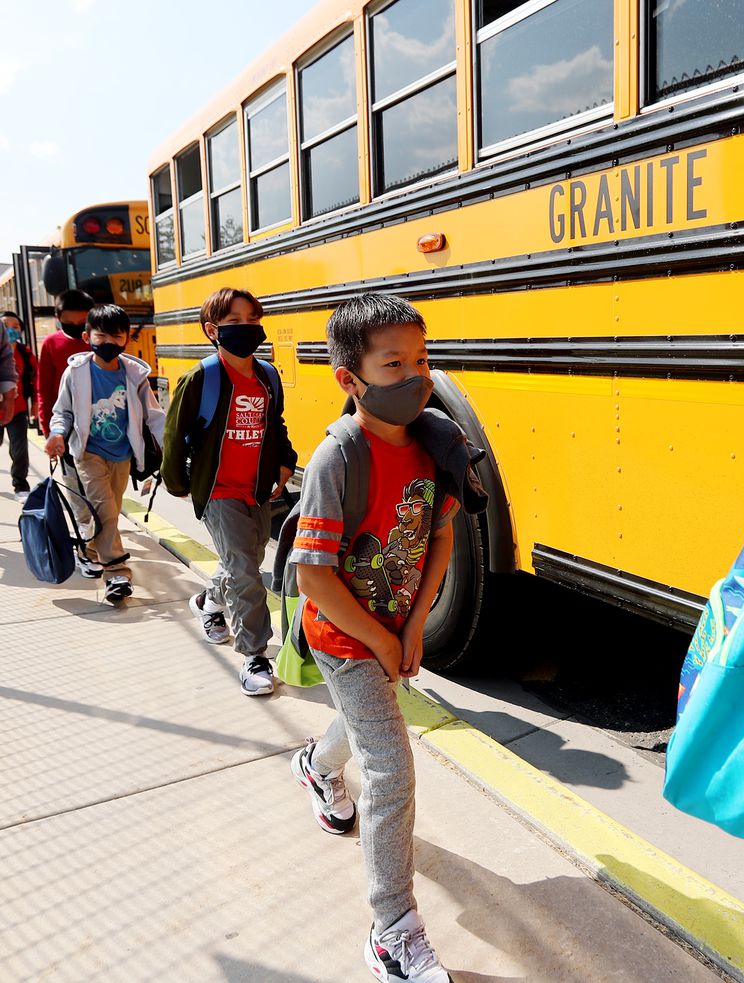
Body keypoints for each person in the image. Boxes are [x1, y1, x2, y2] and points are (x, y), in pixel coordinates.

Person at [288, 294, 458, 983]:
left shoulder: (433, 442)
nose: (415, 376)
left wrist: (414, 623)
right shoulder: (339, 457)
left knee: (366, 725)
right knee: (390, 765)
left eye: (421, 359)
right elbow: (314, 580)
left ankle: (316, 764)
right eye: (394, 364)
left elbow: (442, 532)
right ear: (349, 378)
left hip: (390, 625)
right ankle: (392, 928)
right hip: (341, 631)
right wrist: (381, 642)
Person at [161, 287, 296, 696]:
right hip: (218, 490)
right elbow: (175, 435)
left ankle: (207, 603)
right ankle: (254, 656)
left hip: (256, 490)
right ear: (212, 330)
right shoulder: (202, 377)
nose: (247, 328)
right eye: (235, 322)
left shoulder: (268, 376)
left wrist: (286, 460)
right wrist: (178, 484)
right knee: (245, 571)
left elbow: (276, 425)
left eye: (252, 320)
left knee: (246, 562)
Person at [44, 304, 165, 598]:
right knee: (105, 509)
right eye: (101, 336)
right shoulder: (76, 373)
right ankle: (117, 573)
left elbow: (154, 415)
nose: (108, 343)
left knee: (108, 512)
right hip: (88, 452)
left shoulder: (134, 374)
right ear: (87, 336)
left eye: (117, 336)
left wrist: (170, 448)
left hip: (123, 454)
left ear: (126, 339)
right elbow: (63, 411)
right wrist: (57, 433)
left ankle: (87, 550)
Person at [37, 289, 94, 437]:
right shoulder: (50, 344)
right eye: (68, 323)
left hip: (99, 419)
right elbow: (44, 388)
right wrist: (47, 427)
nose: (75, 326)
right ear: (58, 317)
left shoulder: (101, 341)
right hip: (64, 422)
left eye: (82, 322)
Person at [0, 311, 35, 493]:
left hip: (18, 409)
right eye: (6, 326)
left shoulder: (25, 352)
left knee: (19, 449)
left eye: (16, 327)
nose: (10, 330)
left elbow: (35, 378)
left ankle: (20, 484)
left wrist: (35, 403)